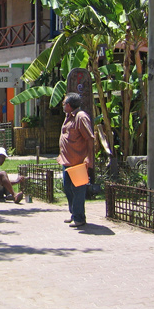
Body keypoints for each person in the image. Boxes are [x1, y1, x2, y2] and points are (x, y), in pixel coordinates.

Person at [58, 92, 94, 228]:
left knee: (78, 190)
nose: (62, 104)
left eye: (64, 102)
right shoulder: (68, 117)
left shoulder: (81, 117)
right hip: (66, 161)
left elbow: (90, 138)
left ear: (68, 104)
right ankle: (74, 214)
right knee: (67, 188)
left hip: (78, 162)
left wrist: (89, 157)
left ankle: (80, 218)